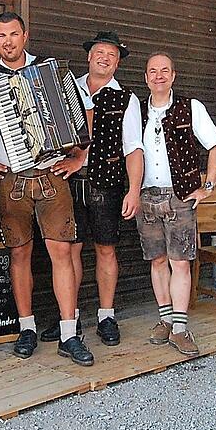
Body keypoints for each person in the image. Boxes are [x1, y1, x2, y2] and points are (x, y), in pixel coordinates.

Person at [0, 12, 92, 366]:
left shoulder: (51, 71)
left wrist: (79, 157)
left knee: (61, 253)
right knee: (19, 254)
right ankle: (27, 328)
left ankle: (69, 333)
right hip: (10, 180)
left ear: (25, 35)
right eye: (1, 35)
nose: (7, 41)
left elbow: (82, 116)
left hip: (51, 173)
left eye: (13, 34)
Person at [43, 31, 143, 347]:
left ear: (117, 62)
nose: (105, 58)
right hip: (66, 182)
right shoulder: (65, 89)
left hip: (107, 182)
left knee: (106, 248)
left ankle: (106, 315)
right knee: (69, 250)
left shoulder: (127, 99)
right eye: (100, 52)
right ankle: (68, 318)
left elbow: (134, 149)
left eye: (111, 54)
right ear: (89, 56)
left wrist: (134, 190)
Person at [138, 52, 216, 356]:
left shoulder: (191, 107)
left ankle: (179, 328)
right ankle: (165, 320)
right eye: (153, 71)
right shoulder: (137, 112)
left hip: (180, 195)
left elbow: (215, 145)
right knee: (157, 260)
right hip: (147, 196)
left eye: (164, 71)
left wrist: (207, 187)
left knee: (180, 262)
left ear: (173, 76)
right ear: (146, 78)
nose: (158, 76)